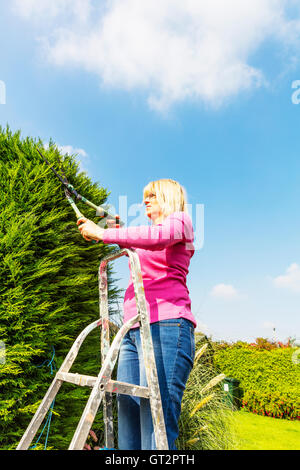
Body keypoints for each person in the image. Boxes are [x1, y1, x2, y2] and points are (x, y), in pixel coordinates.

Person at [77, 179, 197, 450]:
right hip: (132, 331)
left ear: (168, 197)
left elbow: (156, 239)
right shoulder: (150, 237)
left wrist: (103, 234)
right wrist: (112, 229)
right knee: (128, 412)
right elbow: (137, 244)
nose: (145, 200)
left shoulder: (181, 222)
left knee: (155, 426)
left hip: (165, 327)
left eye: (152, 195)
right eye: (145, 196)